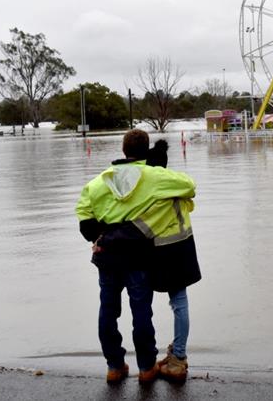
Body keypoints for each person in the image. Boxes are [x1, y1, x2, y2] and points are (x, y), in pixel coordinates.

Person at [76, 130, 196, 384]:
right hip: (138, 256)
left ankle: (114, 366)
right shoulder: (155, 176)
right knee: (141, 312)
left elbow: (84, 219)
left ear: (123, 150)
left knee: (107, 311)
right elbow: (189, 187)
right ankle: (146, 368)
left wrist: (101, 237)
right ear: (146, 150)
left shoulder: (99, 182)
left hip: (106, 257)